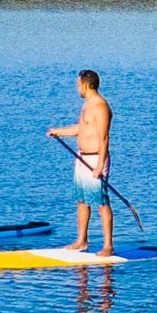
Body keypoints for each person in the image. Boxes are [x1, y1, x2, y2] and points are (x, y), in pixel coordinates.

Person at [48, 69, 115, 255]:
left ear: (86, 85)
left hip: (95, 160)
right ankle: (81, 240)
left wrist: (100, 165)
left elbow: (104, 138)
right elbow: (81, 128)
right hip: (82, 158)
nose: (77, 88)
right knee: (82, 200)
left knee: (101, 202)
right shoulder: (87, 106)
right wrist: (59, 131)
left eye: (78, 84)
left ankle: (108, 246)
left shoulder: (100, 107)